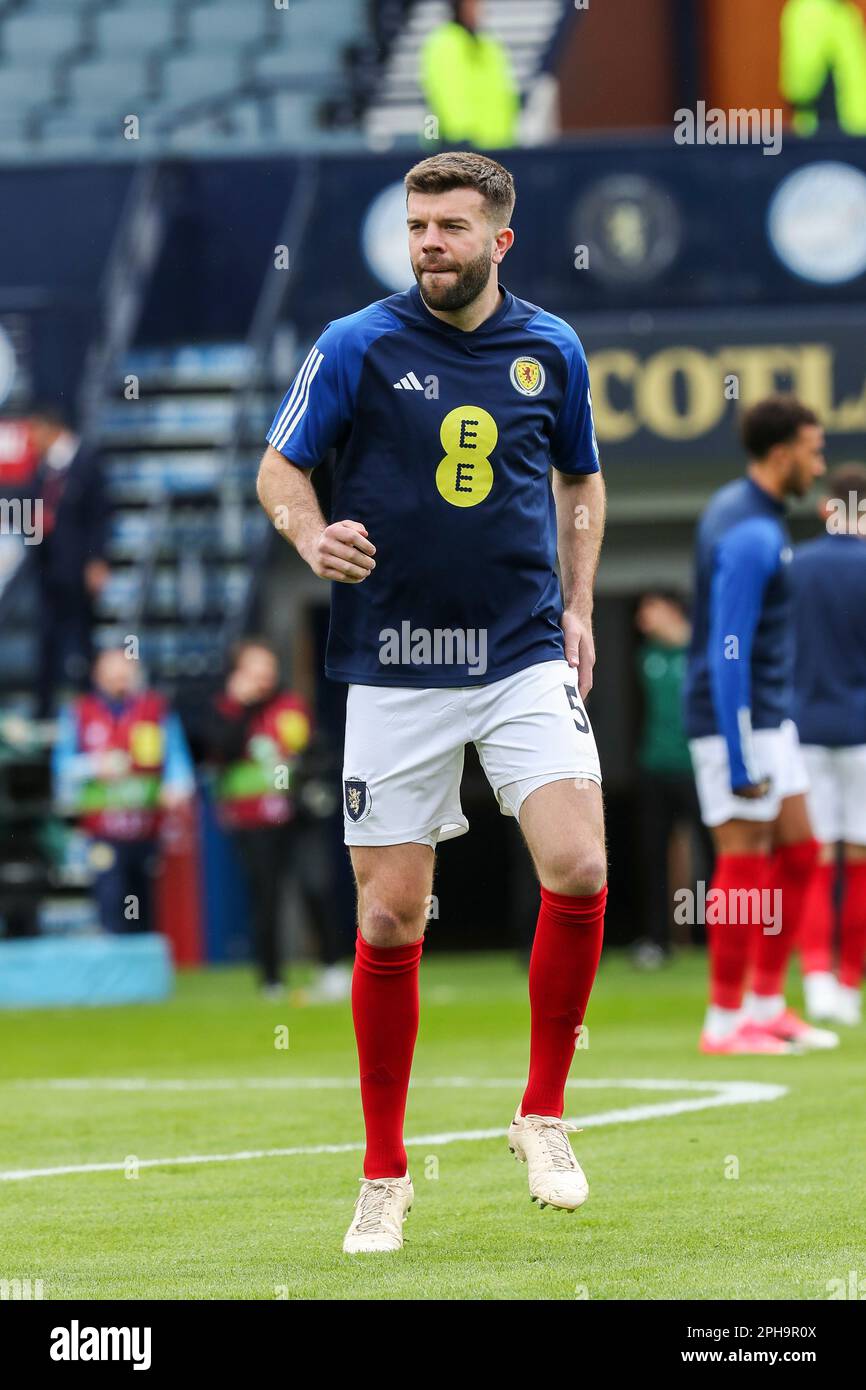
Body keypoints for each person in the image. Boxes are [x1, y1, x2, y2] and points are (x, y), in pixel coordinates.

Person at [257, 150, 606, 1253]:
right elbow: (278, 471)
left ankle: (541, 1110)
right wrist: (311, 533)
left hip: (516, 654)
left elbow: (581, 481)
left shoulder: (550, 347)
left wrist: (580, 608)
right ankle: (381, 1171)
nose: (428, 245)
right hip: (394, 660)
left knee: (581, 865)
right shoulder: (354, 344)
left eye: (450, 227)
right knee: (388, 917)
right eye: (416, 227)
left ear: (500, 239)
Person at [683, 397, 837, 1055]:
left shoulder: (755, 517)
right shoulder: (750, 532)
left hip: (771, 716)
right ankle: (724, 1021)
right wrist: (740, 756)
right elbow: (727, 649)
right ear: (783, 455)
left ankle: (768, 1003)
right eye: (814, 450)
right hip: (735, 721)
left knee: (802, 850)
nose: (819, 463)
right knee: (742, 861)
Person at [202, 638, 337, 1000]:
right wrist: (241, 707)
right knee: (266, 899)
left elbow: (313, 751)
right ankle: (271, 980)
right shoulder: (224, 709)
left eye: (268, 667)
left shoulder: (291, 705)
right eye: (254, 668)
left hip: (297, 815)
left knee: (316, 886)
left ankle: (330, 969)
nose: (263, 676)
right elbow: (223, 750)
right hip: (253, 820)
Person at [792, 464, 866, 1027]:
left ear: (826, 507)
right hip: (860, 731)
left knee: (816, 858)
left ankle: (817, 979)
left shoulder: (795, 566)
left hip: (804, 728)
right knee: (859, 860)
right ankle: (848, 985)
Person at [53, 648, 194, 934]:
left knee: (143, 905)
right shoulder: (79, 712)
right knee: (111, 899)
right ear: (97, 675)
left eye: (125, 671)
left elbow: (178, 762)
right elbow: (61, 766)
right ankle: (117, 967)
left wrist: (176, 787)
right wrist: (94, 766)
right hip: (102, 831)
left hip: (146, 829)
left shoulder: (155, 710)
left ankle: (143, 967)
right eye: (112, 671)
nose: (119, 678)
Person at [633, 589, 710, 967]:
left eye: (650, 609)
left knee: (712, 855)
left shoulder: (703, 651)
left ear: (672, 610)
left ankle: (714, 935)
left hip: (698, 769)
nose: (643, 620)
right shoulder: (646, 656)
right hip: (655, 768)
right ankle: (658, 941)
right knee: (654, 855)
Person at [29, 404, 110, 718]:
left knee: (82, 639)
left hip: (78, 567)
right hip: (50, 569)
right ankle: (44, 710)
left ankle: (91, 708)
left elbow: (100, 515)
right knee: (48, 639)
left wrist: (98, 560)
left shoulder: (86, 463)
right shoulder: (44, 469)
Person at [421, 0, 518, 150]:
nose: (477, 9)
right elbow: (445, 92)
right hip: (461, 143)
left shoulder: (488, 43)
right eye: (471, 4)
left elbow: (502, 91)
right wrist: (461, 135)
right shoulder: (445, 41)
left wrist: (507, 135)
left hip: (497, 143)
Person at [780, 0, 866, 135]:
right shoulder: (822, 10)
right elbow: (803, 77)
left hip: (842, 127)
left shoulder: (839, 10)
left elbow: (800, 86)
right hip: (833, 125)